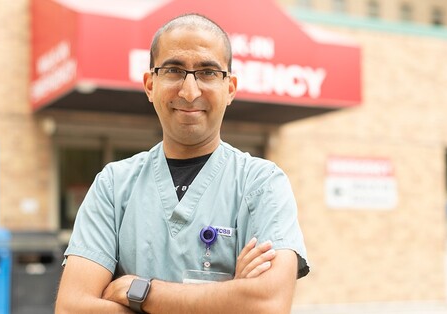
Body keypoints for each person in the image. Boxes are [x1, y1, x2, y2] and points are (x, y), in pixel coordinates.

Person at [55, 13, 309, 314]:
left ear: (230, 88)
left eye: (208, 72)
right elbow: (73, 308)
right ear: (150, 85)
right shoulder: (113, 186)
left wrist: (142, 292)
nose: (189, 92)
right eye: (174, 70)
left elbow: (267, 304)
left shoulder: (261, 183)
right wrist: (228, 297)